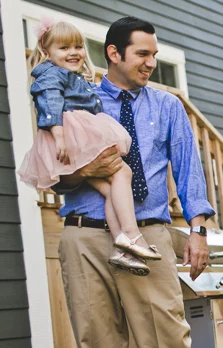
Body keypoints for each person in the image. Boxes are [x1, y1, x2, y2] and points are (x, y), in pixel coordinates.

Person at [53, 17, 219, 348]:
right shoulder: (77, 102)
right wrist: (86, 169)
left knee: (170, 344)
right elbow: (55, 174)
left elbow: (189, 171)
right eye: (142, 55)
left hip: (147, 233)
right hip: (85, 237)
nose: (151, 63)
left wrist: (198, 230)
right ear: (113, 53)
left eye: (154, 54)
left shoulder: (168, 106)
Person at [17, 20, 160, 275]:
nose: (73, 52)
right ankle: (131, 235)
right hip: (72, 137)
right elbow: (50, 104)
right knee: (123, 174)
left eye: (77, 46)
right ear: (46, 50)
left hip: (75, 136)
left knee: (111, 189)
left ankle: (122, 248)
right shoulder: (51, 73)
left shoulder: (72, 76)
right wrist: (60, 137)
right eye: (64, 48)